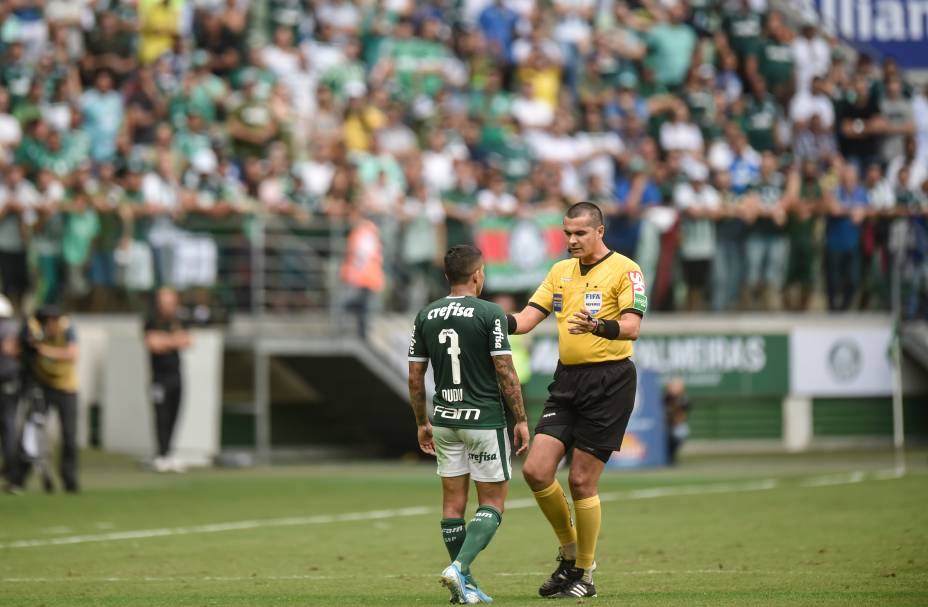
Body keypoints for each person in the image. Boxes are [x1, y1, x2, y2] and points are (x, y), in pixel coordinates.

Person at [508, 202, 646, 598]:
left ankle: (584, 573)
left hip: (610, 382)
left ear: (599, 231)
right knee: (535, 470)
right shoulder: (559, 272)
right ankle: (570, 554)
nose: (571, 240)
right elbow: (526, 319)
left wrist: (598, 325)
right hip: (567, 381)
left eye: (580, 233)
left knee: (582, 480)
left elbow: (632, 327)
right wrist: (484, 318)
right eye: (567, 233)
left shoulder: (627, 270)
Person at [407, 245, 530, 604]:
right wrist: (520, 419)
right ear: (478, 274)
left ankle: (466, 586)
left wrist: (421, 422)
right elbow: (506, 371)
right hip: (484, 420)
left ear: (447, 277)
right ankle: (460, 567)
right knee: (493, 502)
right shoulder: (491, 313)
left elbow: (416, 378)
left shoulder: (426, 314)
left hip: (445, 420)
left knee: (452, 504)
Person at [13, 305, 80, 493]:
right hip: (42, 386)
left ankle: (70, 482)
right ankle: (18, 479)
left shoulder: (67, 329)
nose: (51, 325)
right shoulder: (34, 329)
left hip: (67, 387)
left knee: (69, 435)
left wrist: (43, 349)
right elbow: (20, 349)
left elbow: (72, 353)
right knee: (31, 431)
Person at [144, 287, 192, 473]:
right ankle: (161, 454)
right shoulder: (152, 320)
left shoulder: (180, 320)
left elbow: (187, 340)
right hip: (158, 378)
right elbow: (152, 344)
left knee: (174, 414)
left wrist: (165, 341)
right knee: (161, 415)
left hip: (176, 375)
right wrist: (173, 340)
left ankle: (169, 454)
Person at [0, 294, 21, 489]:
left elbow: (9, 349)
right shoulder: (14, 327)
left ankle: (11, 469)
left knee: (8, 426)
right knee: (9, 427)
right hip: (12, 383)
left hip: (6, 383)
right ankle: (11, 470)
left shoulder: (7, 328)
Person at [663, 377, 691, 465]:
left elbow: (682, 416)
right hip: (663, 426)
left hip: (674, 426)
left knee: (682, 432)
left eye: (678, 387)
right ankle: (664, 457)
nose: (675, 389)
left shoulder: (683, 399)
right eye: (674, 386)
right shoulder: (664, 398)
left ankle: (671, 457)